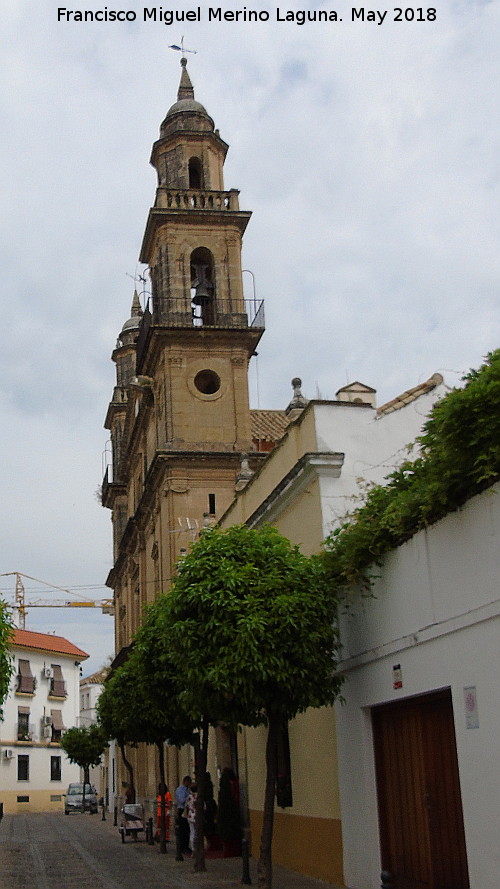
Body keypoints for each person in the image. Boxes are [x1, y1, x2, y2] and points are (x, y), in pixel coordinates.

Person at [175, 775, 192, 854]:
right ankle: (182, 847)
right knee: (183, 830)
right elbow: (181, 800)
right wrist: (188, 798)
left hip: (186, 810)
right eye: (189, 782)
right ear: (185, 781)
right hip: (182, 810)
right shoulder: (181, 790)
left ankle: (186, 846)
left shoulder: (187, 790)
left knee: (187, 829)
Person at [184, 783, 198, 853]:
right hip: (197, 816)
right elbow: (204, 807)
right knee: (197, 832)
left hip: (190, 816)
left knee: (192, 831)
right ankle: (198, 846)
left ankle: (193, 848)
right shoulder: (198, 797)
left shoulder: (189, 797)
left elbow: (186, 806)